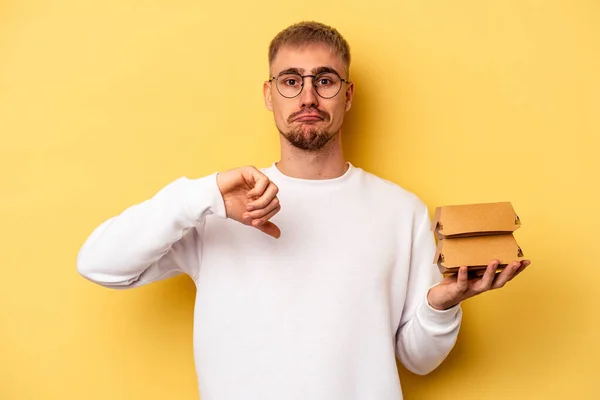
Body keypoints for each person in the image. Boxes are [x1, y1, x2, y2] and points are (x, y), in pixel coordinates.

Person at [77, 21, 531, 400]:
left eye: (325, 80)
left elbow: (419, 360)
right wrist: (206, 194)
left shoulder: (400, 210)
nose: (308, 97)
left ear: (347, 95)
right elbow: (100, 265)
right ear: (269, 94)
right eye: (291, 81)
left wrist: (438, 307)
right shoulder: (219, 208)